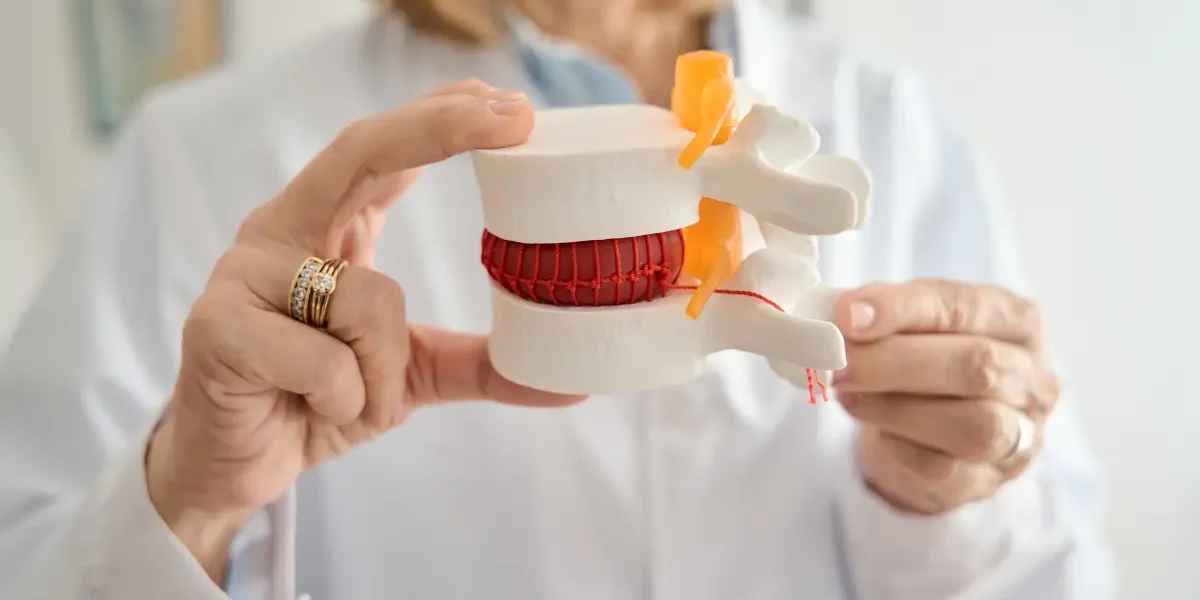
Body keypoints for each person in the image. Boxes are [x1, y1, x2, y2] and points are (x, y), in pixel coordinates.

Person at [0, 0, 1114, 598]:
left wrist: (956, 505)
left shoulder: (898, 127)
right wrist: (186, 508)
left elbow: (1058, 578)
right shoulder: (200, 149)